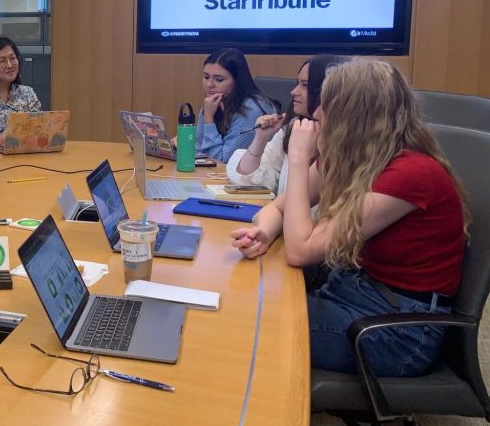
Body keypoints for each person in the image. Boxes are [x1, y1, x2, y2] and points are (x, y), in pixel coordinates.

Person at [230, 59, 466, 377]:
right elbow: (276, 208)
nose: (314, 114)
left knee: (245, 317)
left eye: (325, 106)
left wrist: (299, 158)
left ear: (354, 114)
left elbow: (300, 251)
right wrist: (264, 233)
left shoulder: (412, 173)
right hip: (354, 291)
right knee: (242, 299)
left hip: (397, 329)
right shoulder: (357, 157)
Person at [226, 55, 345, 194]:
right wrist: (260, 139)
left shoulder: (342, 141)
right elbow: (247, 182)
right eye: (297, 83)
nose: (293, 92)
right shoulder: (294, 127)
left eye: (305, 85)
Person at [194, 48, 279, 163]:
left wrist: (209, 120)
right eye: (206, 77)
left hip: (249, 179)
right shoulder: (212, 104)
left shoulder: (251, 110)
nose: (209, 84)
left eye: (219, 79)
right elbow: (198, 153)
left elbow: (223, 163)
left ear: (237, 81)